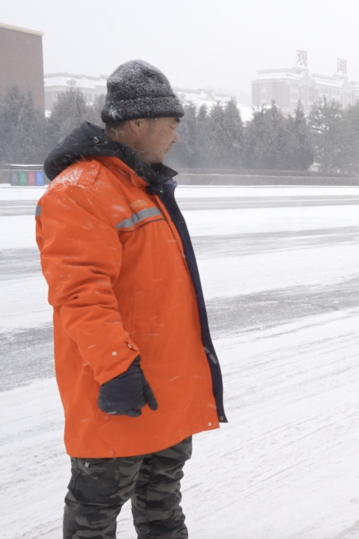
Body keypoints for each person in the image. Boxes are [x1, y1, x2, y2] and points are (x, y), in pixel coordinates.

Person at [35, 59, 225, 539]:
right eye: (172, 124)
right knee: (94, 515)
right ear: (138, 124)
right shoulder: (80, 192)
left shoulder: (143, 188)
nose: (177, 136)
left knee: (163, 507)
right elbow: (79, 294)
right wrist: (117, 370)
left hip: (166, 389)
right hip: (119, 390)